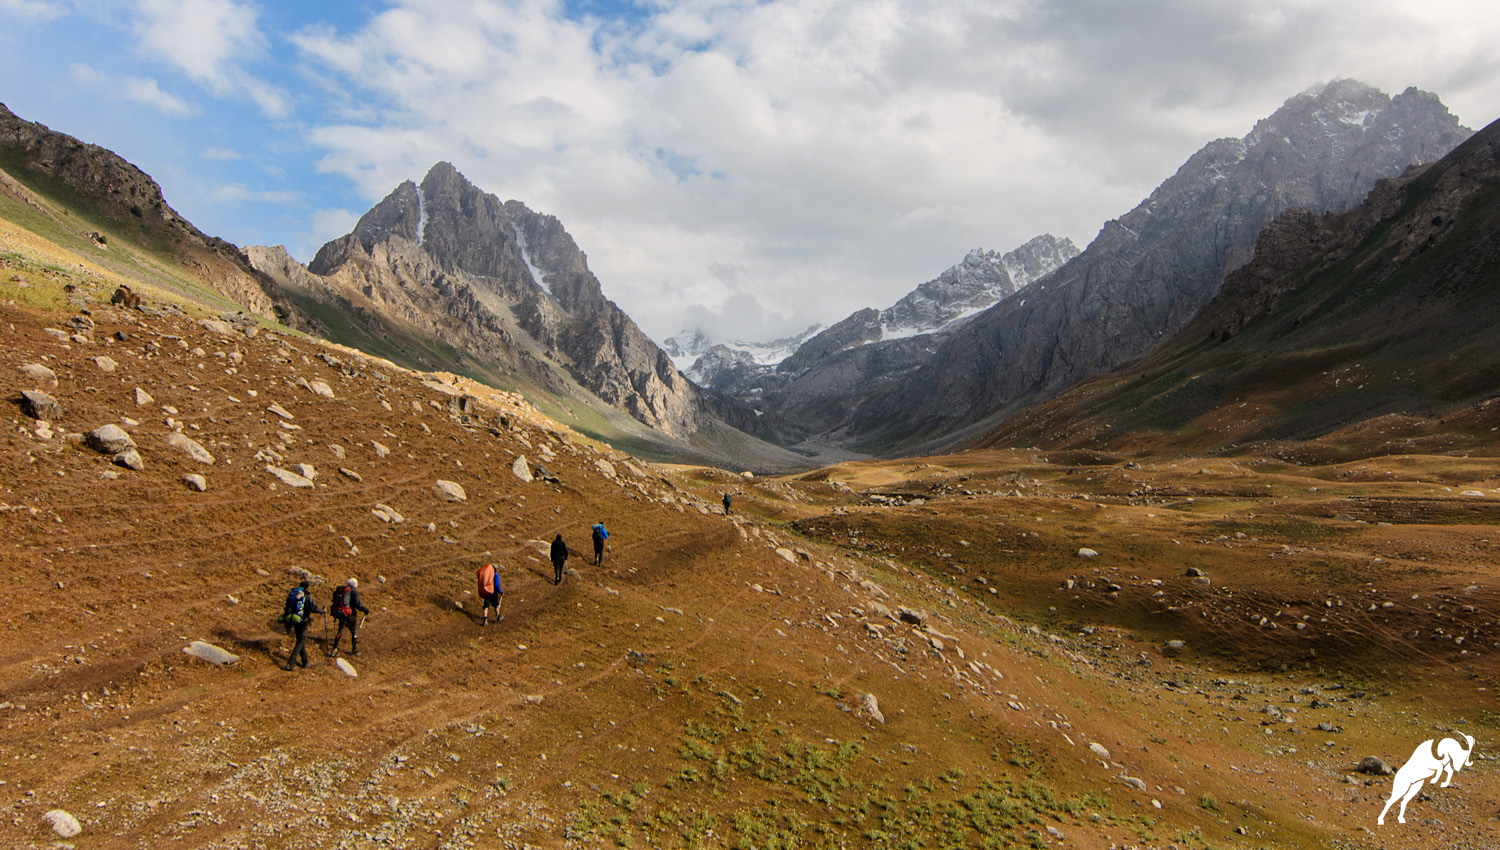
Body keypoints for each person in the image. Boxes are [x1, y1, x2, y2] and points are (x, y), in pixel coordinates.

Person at [282, 580, 323, 671]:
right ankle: (290, 663)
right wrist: (323, 611)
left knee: (300, 641)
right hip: (303, 621)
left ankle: (305, 662)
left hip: (294, 619)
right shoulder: (307, 595)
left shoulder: (294, 593)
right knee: (300, 641)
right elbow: (314, 608)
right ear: (307, 587)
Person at [329, 578, 369, 657]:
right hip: (351, 616)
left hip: (342, 614)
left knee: (340, 632)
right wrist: (365, 610)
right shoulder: (354, 592)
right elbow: (358, 605)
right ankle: (354, 650)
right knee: (354, 633)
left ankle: (334, 649)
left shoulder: (343, 591)